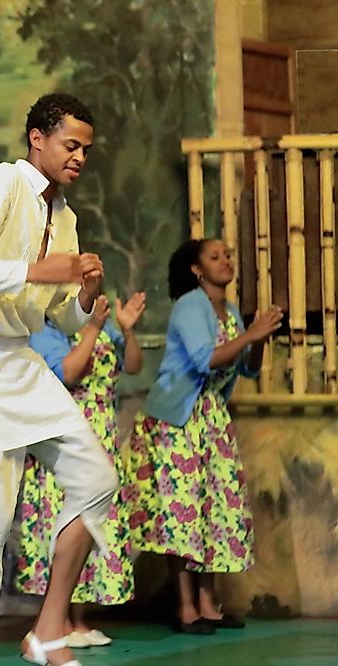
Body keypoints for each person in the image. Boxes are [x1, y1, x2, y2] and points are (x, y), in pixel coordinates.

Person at [0, 92, 119, 666]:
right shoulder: (1, 184)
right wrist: (34, 269)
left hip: (18, 358)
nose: (79, 157)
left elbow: (63, 313)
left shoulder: (65, 217)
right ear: (38, 138)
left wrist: (83, 297)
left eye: (86, 148)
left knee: (98, 477)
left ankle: (48, 628)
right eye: (70, 144)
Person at [125, 238, 281, 634]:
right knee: (183, 510)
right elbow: (203, 359)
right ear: (197, 270)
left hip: (211, 418)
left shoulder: (227, 310)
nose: (226, 260)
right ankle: (186, 607)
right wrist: (250, 335)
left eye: (228, 254)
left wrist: (258, 338)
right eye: (215, 257)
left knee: (215, 507)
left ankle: (209, 604)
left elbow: (247, 368)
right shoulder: (190, 305)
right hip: (177, 420)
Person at [16, 291, 146, 648]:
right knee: (65, 518)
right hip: (64, 433)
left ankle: (79, 620)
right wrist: (93, 326)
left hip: (102, 429)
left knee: (94, 522)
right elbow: (69, 373)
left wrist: (128, 331)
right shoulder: (44, 328)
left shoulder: (103, 323)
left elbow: (133, 366)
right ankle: (56, 621)